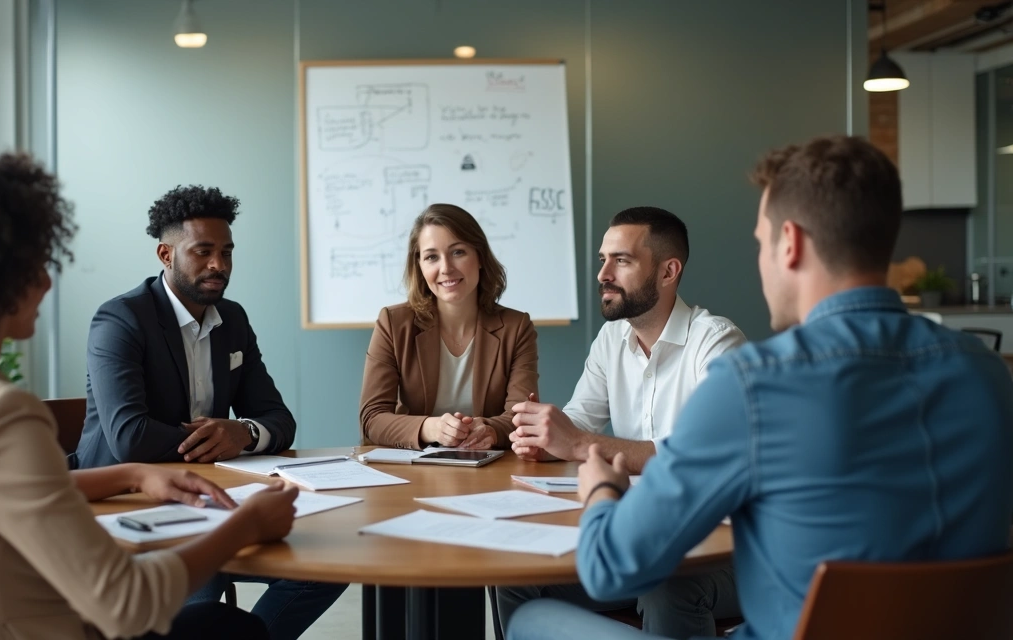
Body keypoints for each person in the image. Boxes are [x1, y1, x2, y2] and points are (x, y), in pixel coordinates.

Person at [508, 135, 1013, 640]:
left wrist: (602, 488)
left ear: (789, 243)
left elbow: (610, 567)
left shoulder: (753, 383)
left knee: (530, 618)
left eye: (761, 242)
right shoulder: (986, 373)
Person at [0, 144, 298, 640]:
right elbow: (128, 604)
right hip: (47, 625)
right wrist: (246, 524)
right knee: (230, 628)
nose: (47, 282)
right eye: (34, 266)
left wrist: (131, 474)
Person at [73, 185, 346, 640]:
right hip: (126, 508)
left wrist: (242, 432)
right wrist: (210, 439)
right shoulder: (121, 320)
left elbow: (279, 420)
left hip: (210, 502)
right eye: (202, 251)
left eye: (226, 252)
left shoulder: (232, 320)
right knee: (204, 588)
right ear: (166, 253)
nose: (218, 265)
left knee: (326, 565)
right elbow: (129, 438)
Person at [497, 207, 746, 638]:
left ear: (669, 272)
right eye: (602, 260)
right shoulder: (612, 339)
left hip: (724, 551)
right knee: (518, 574)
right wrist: (545, 438)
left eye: (622, 260)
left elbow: (698, 461)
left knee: (665, 586)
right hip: (640, 536)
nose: (603, 274)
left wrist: (576, 444)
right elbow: (579, 421)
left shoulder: (718, 344)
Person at [360, 203, 539, 450]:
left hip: (488, 466)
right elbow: (372, 418)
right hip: (414, 469)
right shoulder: (393, 323)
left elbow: (520, 416)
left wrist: (489, 430)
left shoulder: (516, 327)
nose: (445, 268)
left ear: (480, 257)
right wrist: (431, 428)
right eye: (432, 257)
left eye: (458, 252)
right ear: (420, 266)